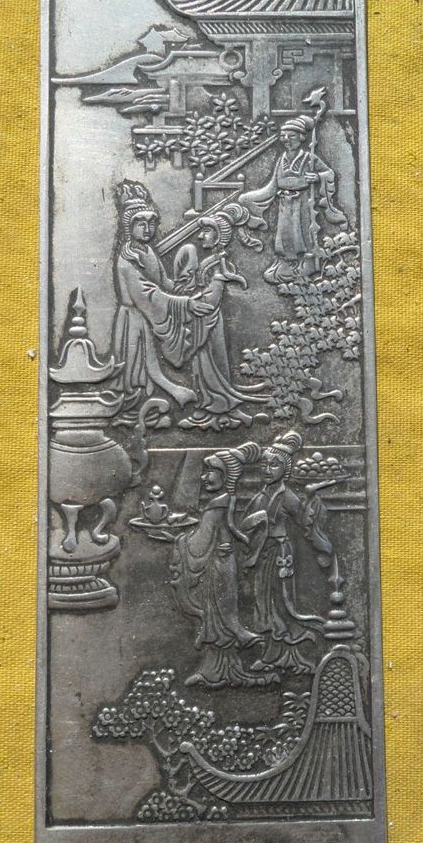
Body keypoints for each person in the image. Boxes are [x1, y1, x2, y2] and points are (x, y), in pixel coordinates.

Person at [170, 444, 277, 688]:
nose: (204, 477)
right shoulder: (226, 500)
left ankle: (220, 672)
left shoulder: (216, 506)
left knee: (218, 619)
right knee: (218, 618)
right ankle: (220, 670)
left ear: (226, 476)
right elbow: (231, 530)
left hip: (218, 568)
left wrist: (180, 540)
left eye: (210, 472)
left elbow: (199, 544)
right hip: (223, 565)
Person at [240, 432, 335, 673]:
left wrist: (311, 498)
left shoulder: (287, 496)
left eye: (274, 465)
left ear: (286, 469)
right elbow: (245, 524)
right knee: (263, 601)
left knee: (280, 602)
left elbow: (304, 521)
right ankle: (271, 652)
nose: (268, 469)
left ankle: (283, 654)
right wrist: (257, 521)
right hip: (262, 553)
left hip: (280, 554)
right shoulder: (261, 495)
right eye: (265, 464)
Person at [110, 181, 210, 408]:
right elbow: (149, 295)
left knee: (150, 365)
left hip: (146, 314)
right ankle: (139, 406)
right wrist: (186, 304)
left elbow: (163, 283)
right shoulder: (127, 259)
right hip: (135, 319)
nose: (147, 229)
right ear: (129, 227)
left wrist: (183, 286)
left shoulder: (147, 251)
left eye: (151, 223)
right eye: (140, 224)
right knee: (140, 370)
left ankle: (160, 400)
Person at [171, 215, 270, 429]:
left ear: (218, 237)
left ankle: (217, 407)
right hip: (204, 321)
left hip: (209, 322)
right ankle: (207, 405)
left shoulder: (218, 263)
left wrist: (190, 302)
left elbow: (213, 298)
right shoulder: (210, 261)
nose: (201, 236)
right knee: (201, 366)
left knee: (211, 364)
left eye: (206, 231)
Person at [237, 116, 346, 284]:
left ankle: (307, 264)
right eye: (283, 136)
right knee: (284, 234)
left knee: (302, 233)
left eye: (291, 136)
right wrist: (248, 199)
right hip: (284, 204)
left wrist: (317, 177)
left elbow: (329, 173)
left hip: (302, 203)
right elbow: (273, 186)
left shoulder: (309, 158)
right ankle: (286, 264)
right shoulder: (282, 159)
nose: (286, 139)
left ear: (302, 137)